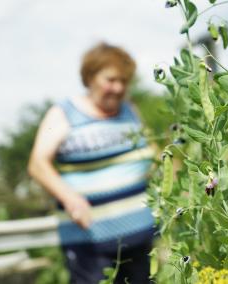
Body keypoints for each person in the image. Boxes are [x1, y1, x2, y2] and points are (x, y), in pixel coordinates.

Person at [28, 42, 156, 284]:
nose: (118, 88)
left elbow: (154, 155)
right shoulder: (64, 113)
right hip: (90, 244)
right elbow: (37, 164)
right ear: (90, 77)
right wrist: (70, 198)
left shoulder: (130, 110)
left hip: (141, 240)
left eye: (124, 81)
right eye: (111, 79)